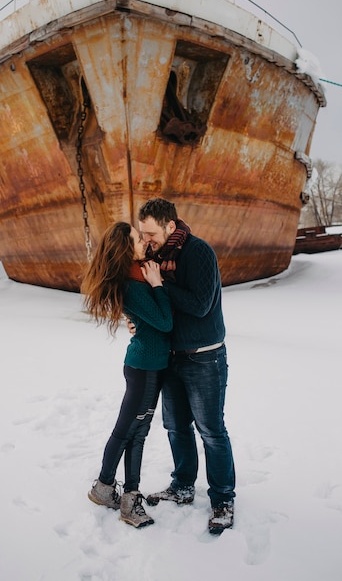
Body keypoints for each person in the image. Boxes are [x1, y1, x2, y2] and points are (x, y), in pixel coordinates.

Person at [137, 197, 236, 535]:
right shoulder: (155, 258)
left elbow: (200, 304)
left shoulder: (198, 252)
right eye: (142, 234)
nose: (147, 240)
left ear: (170, 226)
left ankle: (222, 499)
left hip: (205, 356)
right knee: (176, 427)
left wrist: (160, 285)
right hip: (171, 356)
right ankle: (182, 485)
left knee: (211, 430)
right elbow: (156, 305)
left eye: (151, 233)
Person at [82, 221, 173, 529]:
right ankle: (118, 494)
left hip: (150, 366)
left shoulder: (135, 275)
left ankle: (111, 490)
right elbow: (164, 322)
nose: (143, 242)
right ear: (125, 247)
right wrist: (158, 285)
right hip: (144, 369)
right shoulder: (133, 284)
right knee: (128, 432)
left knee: (136, 432)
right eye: (137, 239)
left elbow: (149, 319)